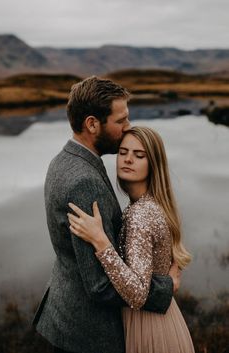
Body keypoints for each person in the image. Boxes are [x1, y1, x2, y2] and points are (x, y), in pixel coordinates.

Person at [33, 77, 180, 353]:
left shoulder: (64, 159)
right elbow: (100, 286)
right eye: (121, 120)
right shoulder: (83, 182)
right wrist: (165, 287)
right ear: (92, 124)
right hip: (88, 332)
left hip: (65, 313)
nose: (128, 127)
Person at [68, 126, 195, 353]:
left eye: (139, 155)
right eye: (123, 152)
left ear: (153, 163)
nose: (128, 160)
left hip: (149, 326)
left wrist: (101, 242)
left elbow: (137, 293)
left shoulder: (140, 215)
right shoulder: (149, 204)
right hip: (163, 319)